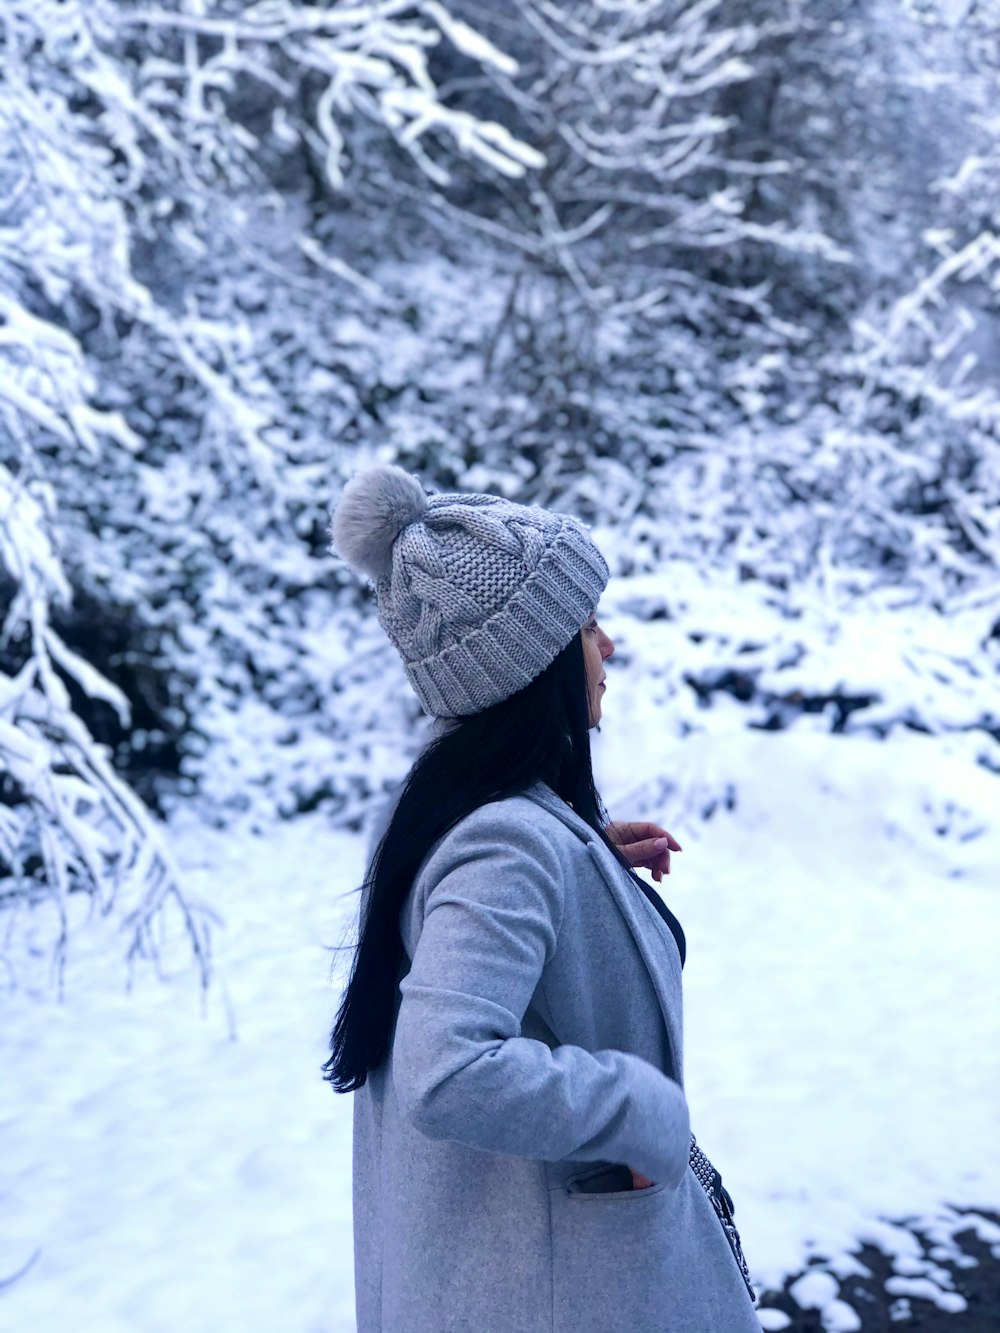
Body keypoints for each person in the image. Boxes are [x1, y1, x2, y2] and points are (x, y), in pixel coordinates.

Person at [325, 464, 758, 1333]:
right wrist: (638, 1110)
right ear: (534, 660)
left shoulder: (467, 814)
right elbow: (447, 1070)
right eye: (588, 624)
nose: (608, 646)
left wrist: (584, 859)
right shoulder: (506, 843)